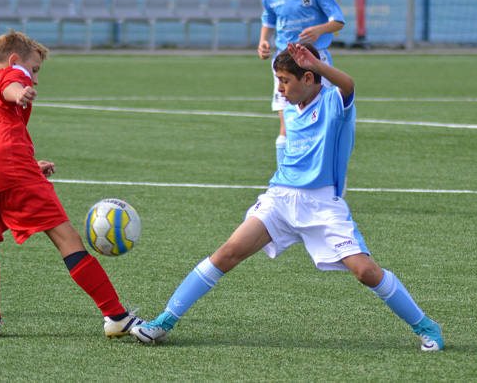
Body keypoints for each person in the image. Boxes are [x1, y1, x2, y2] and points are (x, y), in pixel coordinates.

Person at [131, 43, 444, 352]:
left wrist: (317, 64)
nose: (279, 89)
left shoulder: (335, 104)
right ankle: (164, 322)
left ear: (308, 79)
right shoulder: (292, 111)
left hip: (322, 205)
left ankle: (425, 326)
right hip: (280, 199)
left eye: (284, 81)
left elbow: (348, 84)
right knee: (228, 252)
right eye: (278, 80)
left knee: (365, 272)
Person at [0, 30, 145, 338]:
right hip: (11, 167)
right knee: (66, 238)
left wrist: (29, 164)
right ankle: (117, 316)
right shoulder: (12, 74)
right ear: (15, 60)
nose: (35, 79)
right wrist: (19, 91)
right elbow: (11, 84)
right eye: (35, 70)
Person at [258, 0, 345, 169]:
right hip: (284, 62)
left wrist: (319, 30)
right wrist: (263, 41)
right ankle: (284, 176)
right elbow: (269, 20)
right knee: (287, 121)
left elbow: (338, 20)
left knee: (320, 120)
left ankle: (323, 170)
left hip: (315, 59)